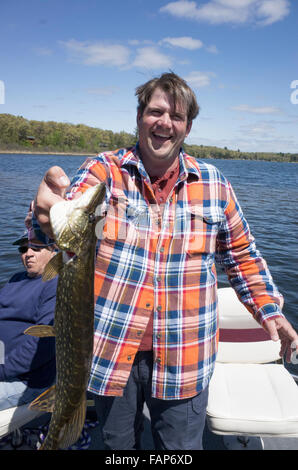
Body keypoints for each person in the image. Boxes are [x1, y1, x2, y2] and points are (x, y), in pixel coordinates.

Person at [32, 72, 298, 450]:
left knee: (180, 451)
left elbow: (241, 255)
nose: (165, 123)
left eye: (177, 116)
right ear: (140, 116)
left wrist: (270, 311)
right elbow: (58, 220)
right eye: (156, 111)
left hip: (185, 358)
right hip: (110, 353)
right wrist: (44, 215)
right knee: (113, 448)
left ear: (188, 127)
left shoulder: (214, 183)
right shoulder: (103, 171)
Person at [0, 228, 57, 411]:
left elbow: (42, 346)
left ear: (53, 251)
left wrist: (2, 369)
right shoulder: (16, 279)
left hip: (28, 379)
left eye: (36, 248)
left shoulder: (56, 284)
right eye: (23, 249)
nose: (28, 254)